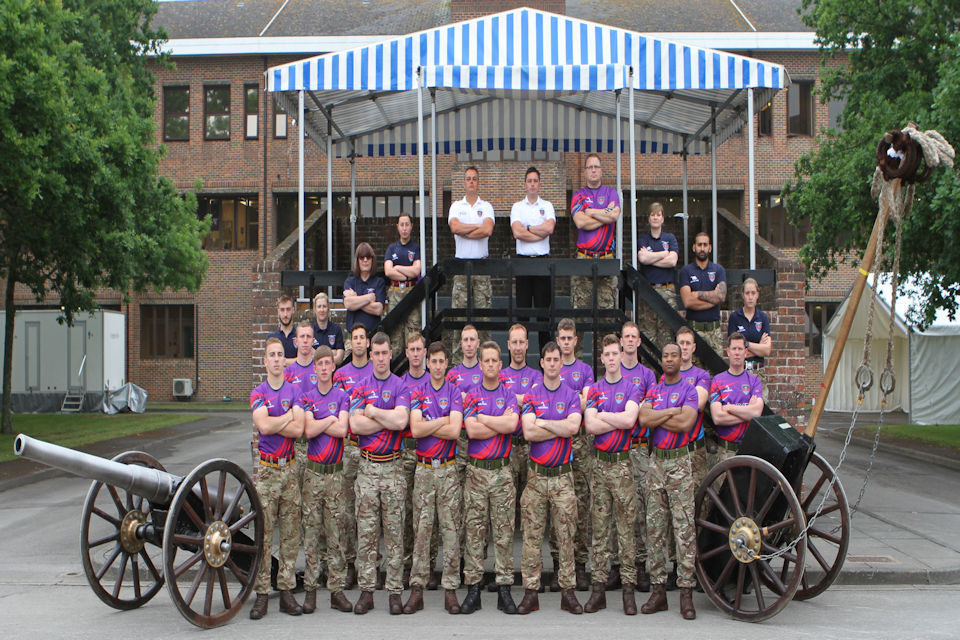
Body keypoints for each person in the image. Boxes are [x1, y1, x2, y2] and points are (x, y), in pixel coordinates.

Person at [516, 341, 584, 615]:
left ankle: (568, 593)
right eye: (549, 359)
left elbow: (573, 428)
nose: (553, 363)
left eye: (557, 359)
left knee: (566, 536)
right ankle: (530, 593)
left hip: (562, 477)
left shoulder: (571, 396)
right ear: (542, 362)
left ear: (561, 363)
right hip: (537, 476)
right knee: (532, 537)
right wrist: (557, 426)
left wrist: (543, 422)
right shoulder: (532, 395)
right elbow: (528, 433)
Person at [401, 342, 464, 616]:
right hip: (424, 469)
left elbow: (455, 432)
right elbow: (415, 429)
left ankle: (450, 589)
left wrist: (432, 423)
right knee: (422, 530)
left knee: (450, 531)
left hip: (448, 470)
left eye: (441, 361)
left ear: (447, 363)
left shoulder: (455, 392)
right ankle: (418, 588)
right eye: (433, 361)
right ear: (427, 362)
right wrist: (442, 420)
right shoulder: (418, 392)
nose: (437, 366)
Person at [348, 332, 409, 615]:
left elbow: (401, 421)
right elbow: (355, 425)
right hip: (368, 467)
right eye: (377, 353)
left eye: (386, 353)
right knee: (368, 534)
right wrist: (384, 418)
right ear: (370, 355)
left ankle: (395, 592)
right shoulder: (360, 387)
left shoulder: (401, 385)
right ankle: (367, 591)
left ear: (390, 354)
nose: (382, 358)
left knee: (395, 534)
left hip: (394, 467)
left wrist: (372, 412)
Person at [638, 343, 700, 620]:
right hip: (657, 463)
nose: (670, 359)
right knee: (654, 528)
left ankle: (686, 592)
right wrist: (671, 412)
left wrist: (659, 418)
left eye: (674, 354)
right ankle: (658, 591)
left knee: (684, 528)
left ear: (682, 357)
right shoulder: (655, 390)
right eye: (665, 356)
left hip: (679, 464)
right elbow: (644, 418)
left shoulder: (688, 389)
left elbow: (687, 423)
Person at [583, 334, 643, 616]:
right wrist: (613, 417)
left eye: (613, 354)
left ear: (620, 356)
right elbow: (590, 427)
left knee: (626, 529)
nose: (610, 359)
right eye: (605, 355)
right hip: (599, 465)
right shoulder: (594, 389)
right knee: (600, 529)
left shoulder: (631, 387)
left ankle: (628, 590)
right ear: (602, 358)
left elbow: (630, 420)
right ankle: (598, 590)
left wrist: (604, 416)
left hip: (621, 465)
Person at [460, 341, 519, 615]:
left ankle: (504, 588)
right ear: (481, 364)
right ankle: (473, 589)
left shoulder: (508, 394)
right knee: (474, 531)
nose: (492, 365)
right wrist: (495, 423)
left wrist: (484, 418)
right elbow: (471, 431)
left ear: (500, 363)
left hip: (501, 472)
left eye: (496, 360)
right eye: (487, 360)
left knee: (504, 532)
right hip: (476, 472)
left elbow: (512, 425)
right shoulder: (471, 394)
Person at [249, 337, 305, 620]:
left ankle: (286, 591)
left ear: (285, 360)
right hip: (268, 472)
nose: (275, 359)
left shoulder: (294, 391)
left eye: (280, 355)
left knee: (291, 534)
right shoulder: (258, 392)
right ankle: (261, 594)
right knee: (265, 534)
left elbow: (298, 430)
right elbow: (263, 425)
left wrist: (276, 420)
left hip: (290, 469)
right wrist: (284, 418)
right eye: (271, 354)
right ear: (265, 361)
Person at [299, 346, 353, 614]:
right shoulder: (307, 398)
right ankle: (310, 590)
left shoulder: (342, 396)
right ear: (315, 368)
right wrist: (328, 419)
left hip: (334, 476)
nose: (322, 368)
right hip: (313, 474)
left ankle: (337, 590)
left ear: (333, 367)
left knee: (336, 535)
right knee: (311, 535)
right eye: (318, 363)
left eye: (326, 363)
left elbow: (343, 430)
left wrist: (324, 420)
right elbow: (307, 431)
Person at [333, 324, 373, 590]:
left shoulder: (378, 371)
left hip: (371, 447)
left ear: (368, 343)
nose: (358, 342)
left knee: (370, 510)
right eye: (354, 338)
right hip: (347, 448)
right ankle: (349, 564)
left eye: (362, 338)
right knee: (347, 510)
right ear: (350, 343)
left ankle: (371, 563)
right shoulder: (341, 375)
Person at [556, 317, 594, 590]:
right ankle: (559, 562)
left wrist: (564, 403)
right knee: (557, 505)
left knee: (579, 503)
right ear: (557, 340)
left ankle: (579, 563)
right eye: (562, 338)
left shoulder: (585, 370)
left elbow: (586, 401)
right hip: (556, 443)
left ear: (575, 340)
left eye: (570, 338)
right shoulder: (550, 367)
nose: (566, 343)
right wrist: (572, 402)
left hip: (579, 444)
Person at [619, 321, 657, 593]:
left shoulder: (647, 375)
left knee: (642, 510)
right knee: (617, 511)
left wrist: (630, 410)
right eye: (626, 337)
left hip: (641, 448)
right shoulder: (613, 370)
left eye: (634, 336)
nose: (630, 341)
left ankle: (642, 565)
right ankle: (618, 567)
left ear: (639, 341)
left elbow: (648, 411)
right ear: (621, 341)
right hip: (618, 448)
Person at [571, 154, 620, 337]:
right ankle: (576, 365)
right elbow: (580, 223)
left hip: (606, 261)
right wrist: (603, 216)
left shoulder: (611, 193)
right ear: (585, 172)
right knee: (579, 318)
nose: (593, 170)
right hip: (583, 260)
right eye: (590, 167)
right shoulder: (578, 195)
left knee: (607, 321)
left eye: (596, 167)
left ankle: (607, 364)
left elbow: (614, 215)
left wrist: (591, 212)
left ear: (601, 170)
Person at [448, 166, 494, 363]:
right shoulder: (456, 206)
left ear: (478, 181)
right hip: (461, 267)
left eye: (474, 178)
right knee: (459, 318)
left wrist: (466, 231)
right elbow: (454, 227)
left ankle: (487, 361)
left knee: (484, 317)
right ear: (464, 182)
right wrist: (477, 226)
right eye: (468, 179)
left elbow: (488, 229)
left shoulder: (487, 206)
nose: (471, 182)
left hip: (482, 268)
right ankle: (459, 364)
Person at [500, 324, 544, 533]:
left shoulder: (537, 376)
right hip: (507, 445)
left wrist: (511, 399)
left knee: (531, 507)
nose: (518, 347)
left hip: (530, 446)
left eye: (521, 342)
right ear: (508, 345)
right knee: (505, 506)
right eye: (514, 342)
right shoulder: (500, 376)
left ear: (527, 345)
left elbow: (535, 402)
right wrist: (524, 400)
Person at [510, 166, 556, 349]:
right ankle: (521, 363)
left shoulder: (547, 206)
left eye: (535, 181)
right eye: (529, 181)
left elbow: (550, 229)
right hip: (523, 264)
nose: (532, 184)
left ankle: (546, 361)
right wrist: (538, 231)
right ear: (525, 184)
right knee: (522, 316)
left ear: (539, 184)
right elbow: (516, 232)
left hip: (543, 263)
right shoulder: (517, 207)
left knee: (544, 315)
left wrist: (527, 228)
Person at [399, 333, 429, 588]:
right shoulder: (400, 384)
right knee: (407, 510)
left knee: (428, 514)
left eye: (420, 349)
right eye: (412, 349)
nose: (416, 353)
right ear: (406, 353)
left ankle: (428, 563)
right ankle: (408, 563)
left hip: (429, 451)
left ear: (425, 353)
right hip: (406, 452)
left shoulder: (435, 381)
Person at [709, 332, 764, 461]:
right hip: (726, 452)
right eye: (734, 349)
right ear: (728, 352)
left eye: (740, 349)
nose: (737, 353)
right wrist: (747, 413)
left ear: (746, 352)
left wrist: (728, 407)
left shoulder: (754, 381)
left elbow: (756, 413)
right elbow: (717, 417)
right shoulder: (718, 380)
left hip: (749, 450)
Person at [637, 202, 680, 350]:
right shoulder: (643, 239)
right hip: (649, 291)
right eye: (653, 215)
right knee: (649, 335)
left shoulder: (670, 238)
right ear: (649, 218)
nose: (655, 218)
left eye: (658, 215)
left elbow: (673, 261)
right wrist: (663, 254)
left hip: (667, 291)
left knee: (666, 334)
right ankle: (650, 372)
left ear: (663, 219)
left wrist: (651, 258)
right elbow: (642, 259)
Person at [679, 231, 727, 357]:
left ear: (710, 248)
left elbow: (721, 296)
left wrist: (696, 294)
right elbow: (687, 302)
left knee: (716, 373)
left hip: (714, 331)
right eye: (699, 245)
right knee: (694, 372)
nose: (702, 248)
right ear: (694, 247)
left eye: (705, 245)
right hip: (694, 331)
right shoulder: (686, 271)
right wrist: (713, 298)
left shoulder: (718, 270)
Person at [446, 324, 482, 483]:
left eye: (472, 340)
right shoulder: (452, 375)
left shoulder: (486, 371)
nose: (468, 344)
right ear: (460, 343)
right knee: (456, 486)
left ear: (478, 343)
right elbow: (446, 405)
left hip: (480, 436)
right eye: (465, 340)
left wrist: (463, 397)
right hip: (458, 438)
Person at [385, 213, 423, 356]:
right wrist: (407, 273)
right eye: (402, 225)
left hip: (411, 292)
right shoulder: (392, 249)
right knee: (395, 332)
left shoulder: (416, 248)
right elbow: (388, 271)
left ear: (411, 226)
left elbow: (416, 270)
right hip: (395, 292)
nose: (405, 228)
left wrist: (398, 268)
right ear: (397, 227)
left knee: (412, 332)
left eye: (407, 224)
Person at [727, 277, 772, 389]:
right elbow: (733, 351)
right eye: (747, 293)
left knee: (760, 404)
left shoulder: (763, 318)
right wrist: (758, 348)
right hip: (740, 371)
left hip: (759, 372)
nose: (750, 297)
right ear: (742, 295)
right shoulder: (735, 317)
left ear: (758, 295)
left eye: (753, 293)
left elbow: (766, 350)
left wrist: (745, 345)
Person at [344, 242, 388, 338]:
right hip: (352, 336)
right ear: (357, 260)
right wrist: (368, 298)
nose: (365, 260)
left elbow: (378, 309)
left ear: (372, 260)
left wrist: (355, 299)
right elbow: (348, 304)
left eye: (368, 257)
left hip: (373, 335)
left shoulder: (379, 282)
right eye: (362, 257)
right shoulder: (350, 282)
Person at [312, 292, 345, 364]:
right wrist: (333, 352)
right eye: (319, 306)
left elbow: (339, 358)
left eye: (324, 306)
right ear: (315, 309)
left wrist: (317, 354)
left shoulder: (336, 329)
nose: (322, 310)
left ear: (328, 308)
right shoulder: (310, 331)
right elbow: (309, 357)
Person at [267, 294, 298, 366]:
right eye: (282, 310)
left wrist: (280, 362)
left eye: (288, 309)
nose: (285, 314)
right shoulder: (271, 338)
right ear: (278, 312)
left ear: (293, 310)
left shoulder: (300, 336)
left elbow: (304, 361)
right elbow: (270, 363)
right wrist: (295, 361)